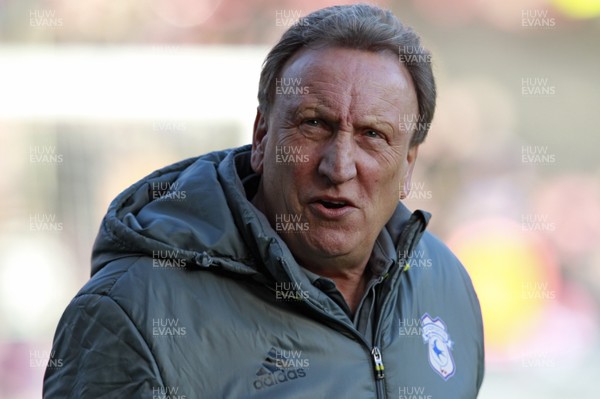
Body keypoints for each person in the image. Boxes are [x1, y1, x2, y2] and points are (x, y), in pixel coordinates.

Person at [44, 4, 484, 398]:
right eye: (314, 124)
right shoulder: (132, 316)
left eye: (373, 135)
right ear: (261, 136)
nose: (340, 166)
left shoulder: (445, 283)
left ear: (408, 164)